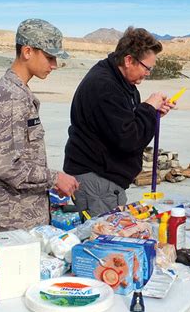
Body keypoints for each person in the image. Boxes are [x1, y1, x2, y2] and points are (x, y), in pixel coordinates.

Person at [63, 26, 175, 216]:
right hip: (97, 182)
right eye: (147, 68)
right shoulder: (105, 86)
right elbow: (129, 139)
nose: (148, 74)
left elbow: (130, 125)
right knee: (102, 239)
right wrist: (148, 108)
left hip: (105, 181)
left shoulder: (123, 82)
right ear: (129, 60)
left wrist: (152, 115)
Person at [0, 19, 79, 232]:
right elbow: (6, 165)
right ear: (27, 52)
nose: (53, 65)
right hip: (12, 225)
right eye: (49, 57)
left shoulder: (20, 92)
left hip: (25, 219)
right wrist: (55, 178)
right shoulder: (11, 98)